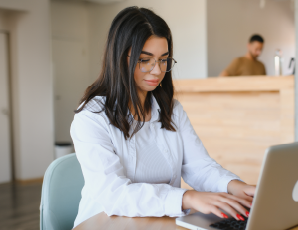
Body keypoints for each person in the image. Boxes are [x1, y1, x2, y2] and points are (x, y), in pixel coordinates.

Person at [69, 6, 256, 227]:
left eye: (163, 59)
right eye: (145, 59)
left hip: (160, 222)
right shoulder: (92, 116)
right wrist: (187, 197)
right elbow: (114, 195)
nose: (157, 70)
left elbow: (200, 166)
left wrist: (236, 186)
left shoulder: (171, 109)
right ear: (119, 57)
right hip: (105, 223)